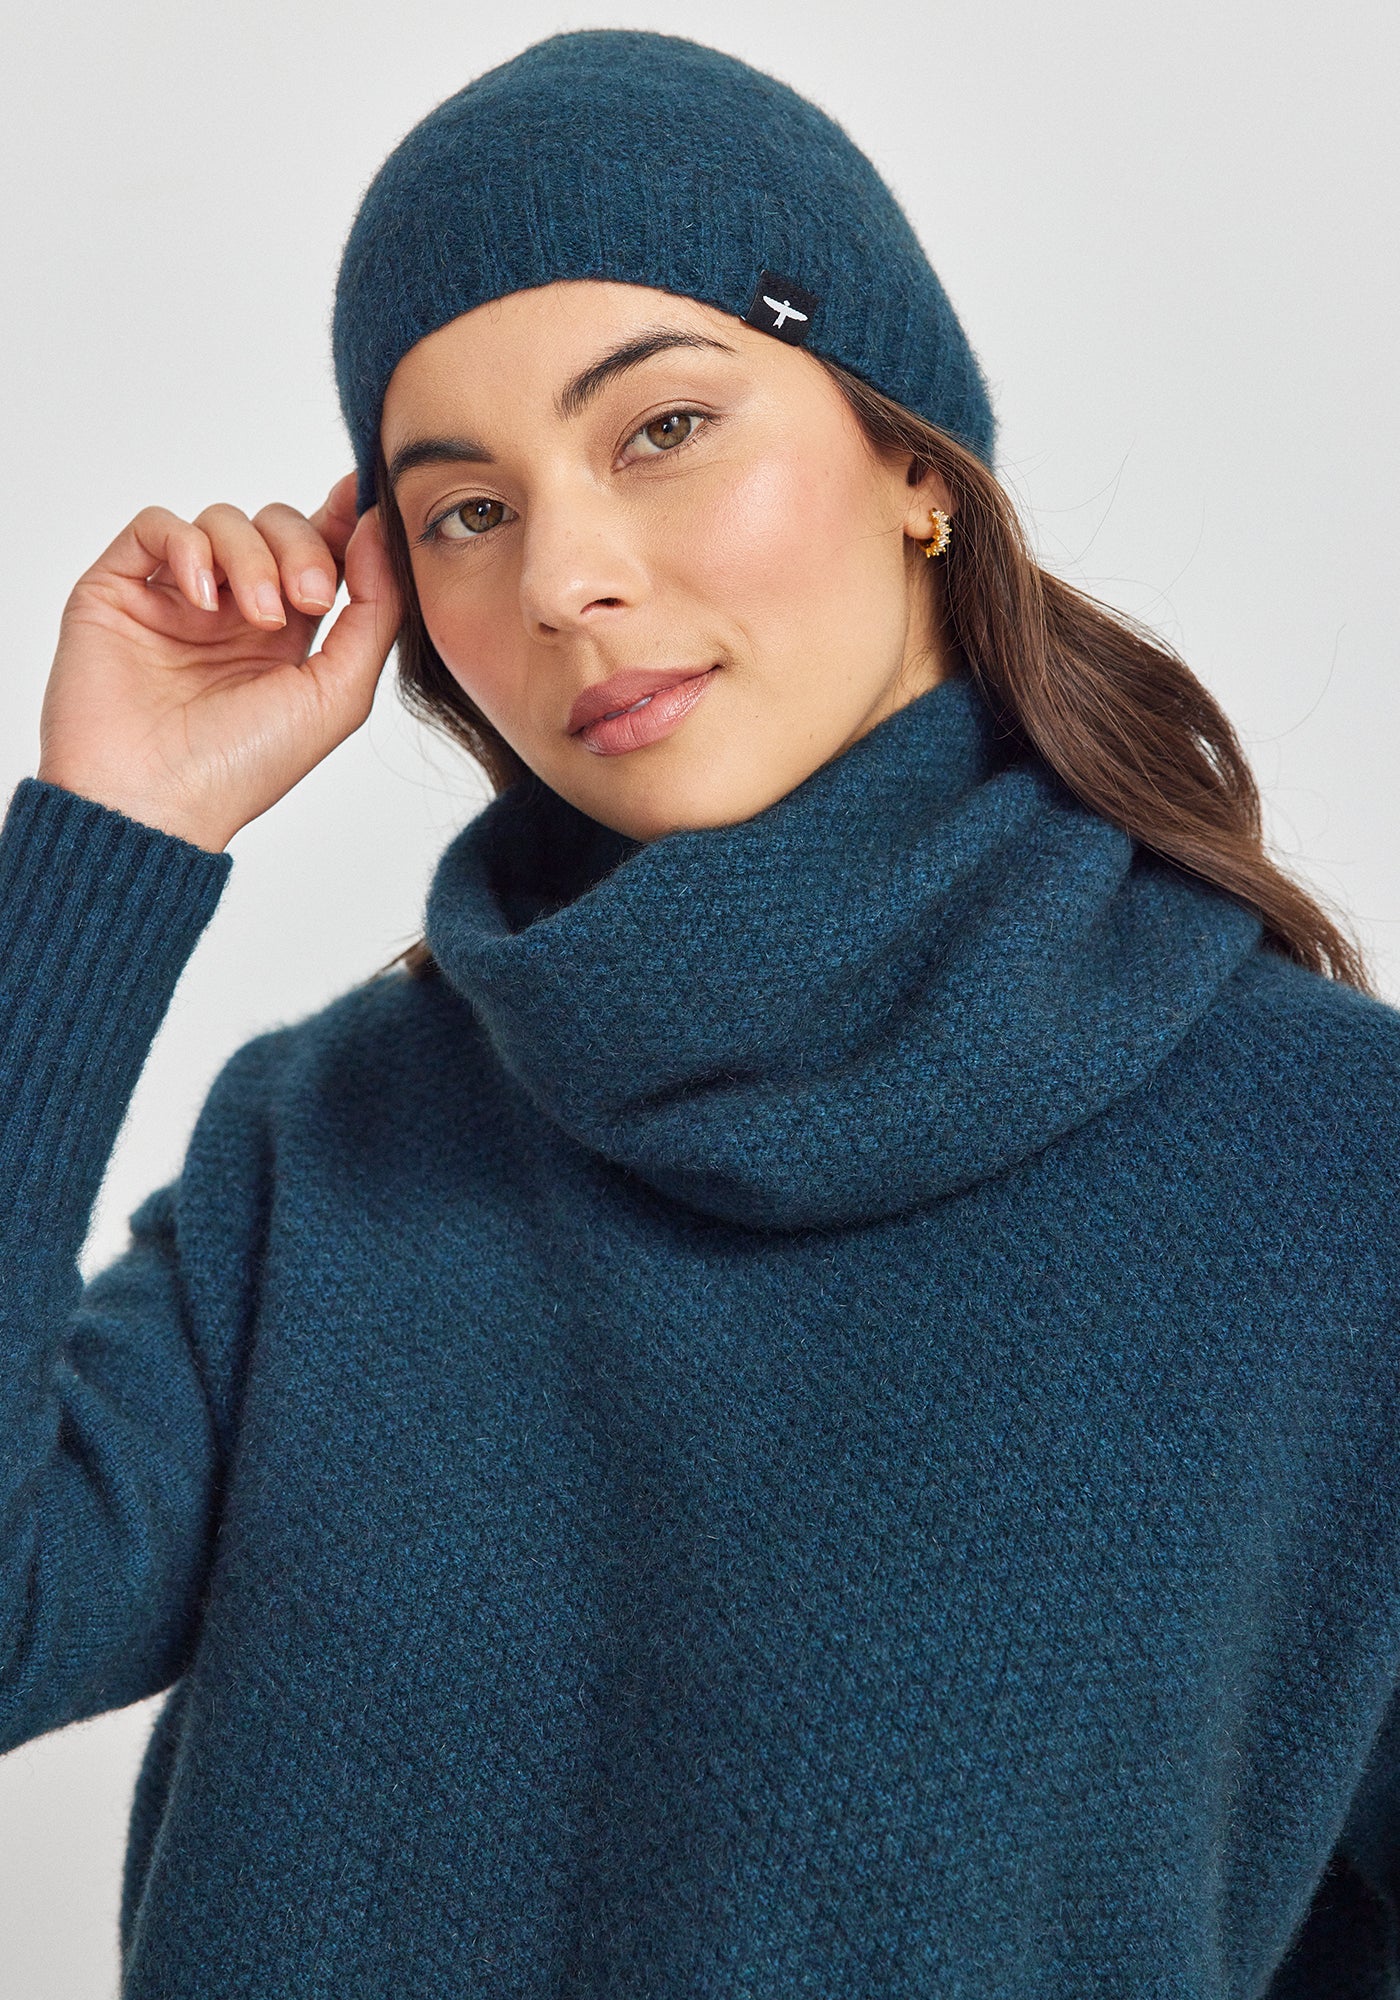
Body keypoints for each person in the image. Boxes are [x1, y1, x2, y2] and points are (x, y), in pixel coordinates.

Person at [1, 26, 1397, 1997]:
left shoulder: (1337, 1176)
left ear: (912, 461)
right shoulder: (332, 1144)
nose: (565, 577)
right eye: (465, 509)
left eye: (660, 427)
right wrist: (104, 848)